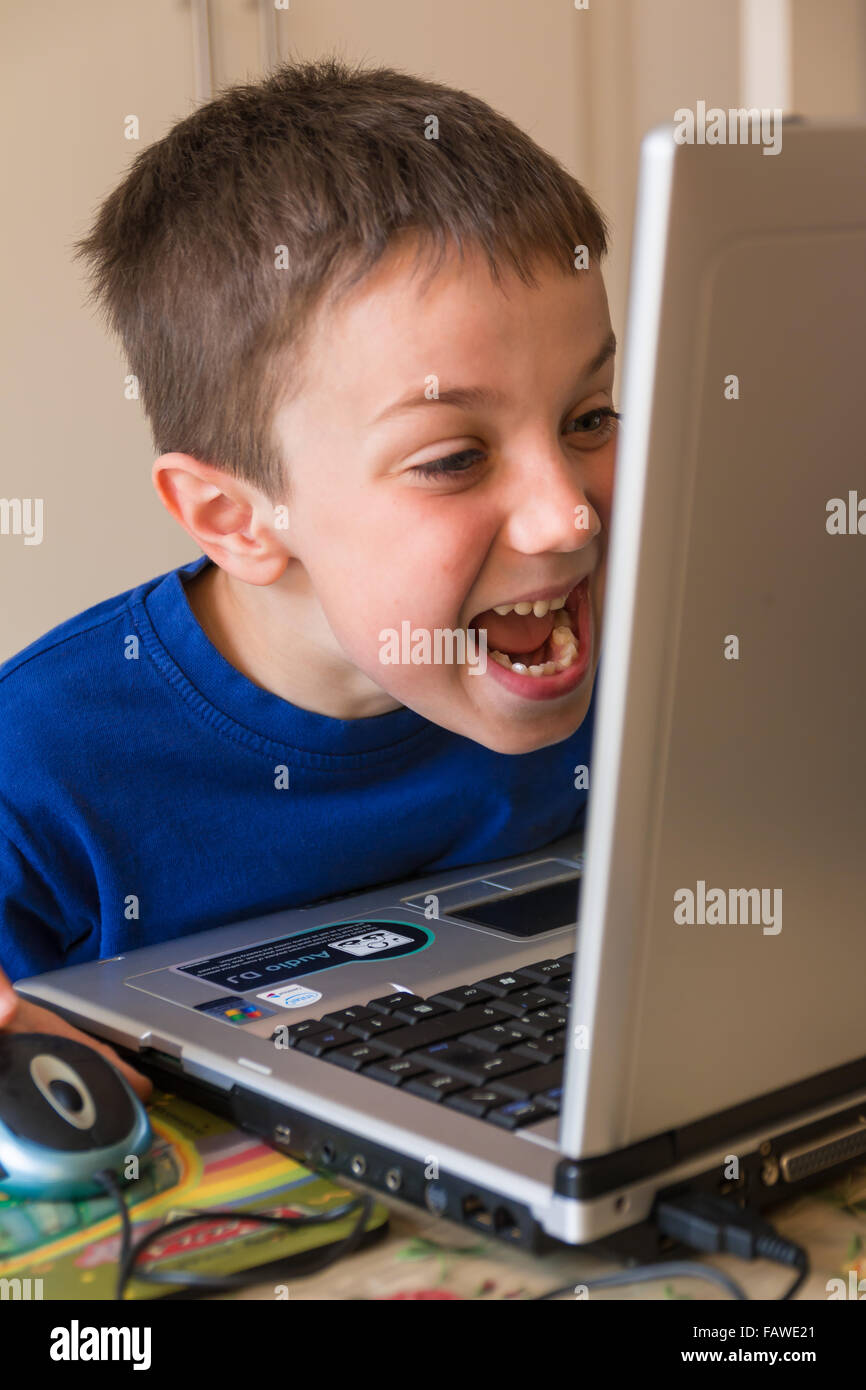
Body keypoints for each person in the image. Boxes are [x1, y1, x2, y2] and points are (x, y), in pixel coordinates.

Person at [0, 59, 618, 1099]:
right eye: (453, 459)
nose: (569, 516)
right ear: (235, 519)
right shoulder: (42, 764)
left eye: (589, 417)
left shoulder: (636, 649)